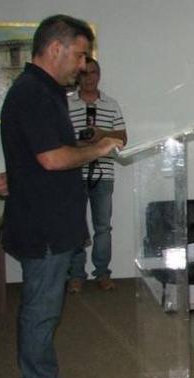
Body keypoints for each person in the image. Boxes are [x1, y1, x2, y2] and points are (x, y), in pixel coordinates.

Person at [0, 14, 123, 378]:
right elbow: (53, 158)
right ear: (56, 48)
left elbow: (33, 156)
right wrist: (99, 148)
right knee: (41, 310)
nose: (84, 65)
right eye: (81, 54)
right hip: (44, 224)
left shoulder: (43, 91)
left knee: (43, 309)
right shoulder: (34, 93)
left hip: (45, 218)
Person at [66, 56, 127, 293]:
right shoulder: (67, 104)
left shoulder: (111, 104)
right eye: (84, 73)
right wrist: (81, 144)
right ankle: (76, 275)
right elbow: (59, 140)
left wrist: (101, 134)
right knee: (75, 226)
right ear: (78, 76)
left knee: (103, 227)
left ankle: (102, 273)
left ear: (98, 75)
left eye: (93, 73)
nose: (89, 78)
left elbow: (122, 139)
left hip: (103, 173)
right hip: (73, 173)